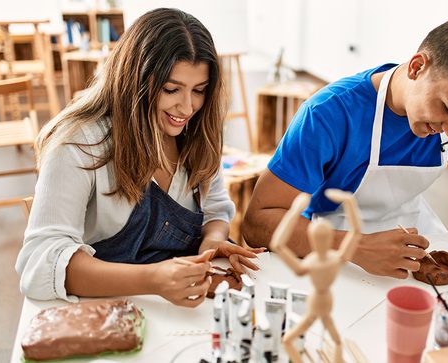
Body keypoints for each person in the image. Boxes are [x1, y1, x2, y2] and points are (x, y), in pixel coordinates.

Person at [243, 16, 448, 279]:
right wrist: (355, 247)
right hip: (330, 249)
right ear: (417, 67)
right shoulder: (329, 114)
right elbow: (257, 222)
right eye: (447, 108)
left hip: (416, 241)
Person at [16, 8, 264, 307]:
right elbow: (40, 264)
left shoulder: (197, 133)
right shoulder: (78, 142)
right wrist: (153, 280)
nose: (187, 107)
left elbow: (215, 211)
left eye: (198, 90)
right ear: (135, 81)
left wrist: (212, 240)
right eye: (171, 89)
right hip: (103, 308)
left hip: (182, 308)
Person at [270, 190, 361, 363]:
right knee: (337, 341)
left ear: (311, 239)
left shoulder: (311, 263)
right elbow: (355, 231)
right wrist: (348, 201)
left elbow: (278, 245)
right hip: (326, 304)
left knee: (288, 340)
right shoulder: (337, 258)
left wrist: (294, 212)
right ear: (330, 238)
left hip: (315, 305)